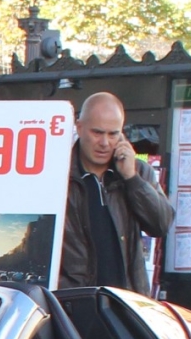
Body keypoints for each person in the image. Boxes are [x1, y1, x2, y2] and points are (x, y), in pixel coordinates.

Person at [56, 92, 173, 292]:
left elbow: (160, 224)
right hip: (75, 303)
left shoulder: (137, 171)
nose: (105, 143)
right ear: (79, 127)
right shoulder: (59, 174)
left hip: (125, 304)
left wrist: (131, 179)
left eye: (113, 134)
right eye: (97, 133)